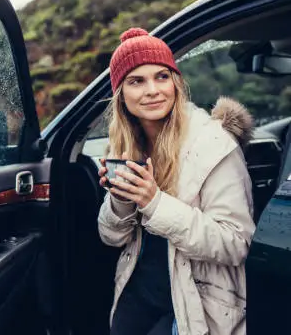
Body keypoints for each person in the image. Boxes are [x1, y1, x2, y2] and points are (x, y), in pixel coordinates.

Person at [97, 27, 256, 335]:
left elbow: (235, 244)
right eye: (136, 81)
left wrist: (154, 203)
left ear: (176, 82)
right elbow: (111, 237)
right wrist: (121, 199)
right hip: (141, 291)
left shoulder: (214, 144)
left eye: (162, 76)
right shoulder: (126, 145)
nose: (153, 90)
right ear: (121, 94)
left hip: (198, 302)